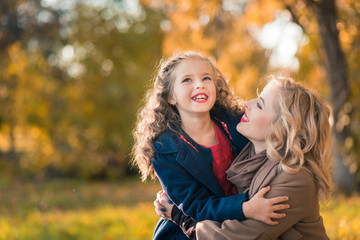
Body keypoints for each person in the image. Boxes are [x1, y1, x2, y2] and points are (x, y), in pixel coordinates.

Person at [132, 51, 289, 240]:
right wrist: (245, 208)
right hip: (190, 228)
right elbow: (196, 205)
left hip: (243, 222)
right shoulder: (165, 148)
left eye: (206, 78)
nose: (199, 84)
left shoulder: (235, 123)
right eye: (187, 80)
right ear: (171, 97)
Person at [155, 76, 333, 239]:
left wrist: (179, 217)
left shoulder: (295, 178)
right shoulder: (247, 158)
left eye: (260, 104)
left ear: (283, 128)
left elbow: (236, 237)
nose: (248, 103)